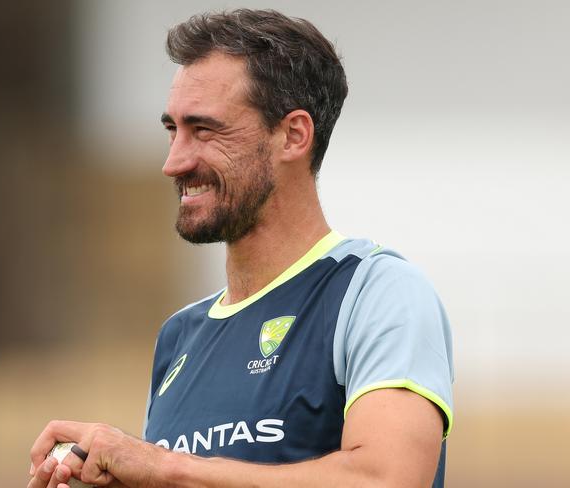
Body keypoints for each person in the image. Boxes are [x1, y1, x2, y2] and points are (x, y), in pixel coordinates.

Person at [28, 9, 453, 488]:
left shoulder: (376, 293)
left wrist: (160, 466)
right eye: (173, 130)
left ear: (293, 136)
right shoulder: (180, 336)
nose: (174, 162)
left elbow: (387, 480)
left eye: (205, 130)